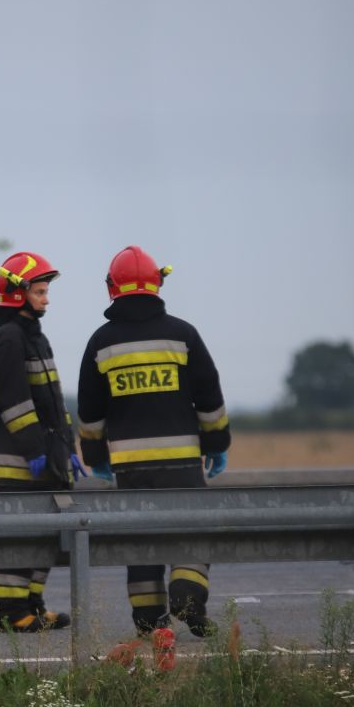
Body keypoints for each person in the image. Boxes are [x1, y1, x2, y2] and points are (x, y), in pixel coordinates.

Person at [77, 246, 231, 638]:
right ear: (157, 284)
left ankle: (150, 624)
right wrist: (216, 443)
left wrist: (96, 456)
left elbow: (90, 411)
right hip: (182, 461)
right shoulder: (183, 335)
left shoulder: (101, 343)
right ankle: (188, 594)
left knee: (140, 541)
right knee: (193, 530)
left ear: (112, 287)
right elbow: (209, 397)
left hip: (130, 466)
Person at [0, 252, 86, 632]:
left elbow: (52, 402)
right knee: (19, 539)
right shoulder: (9, 338)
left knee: (44, 540)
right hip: (21, 462)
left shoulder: (34, 336)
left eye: (46, 291)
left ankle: (31, 606)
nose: (46, 299)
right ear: (18, 292)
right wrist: (34, 451)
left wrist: (67, 450)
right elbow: (13, 402)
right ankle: (6, 615)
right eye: (40, 291)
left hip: (46, 457)